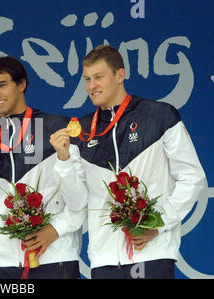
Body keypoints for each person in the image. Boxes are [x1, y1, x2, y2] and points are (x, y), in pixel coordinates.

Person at [51, 45, 207, 279]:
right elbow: (79, 202)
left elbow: (193, 178)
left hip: (152, 253)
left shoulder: (160, 115)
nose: (91, 86)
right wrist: (63, 160)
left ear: (120, 75)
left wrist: (159, 223)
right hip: (103, 259)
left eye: (99, 77)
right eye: (87, 79)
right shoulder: (81, 131)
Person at [0, 56, 87, 279]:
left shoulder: (56, 128)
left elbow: (81, 200)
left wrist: (55, 229)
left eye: (2, 85)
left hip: (55, 258)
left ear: (22, 84)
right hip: (6, 264)